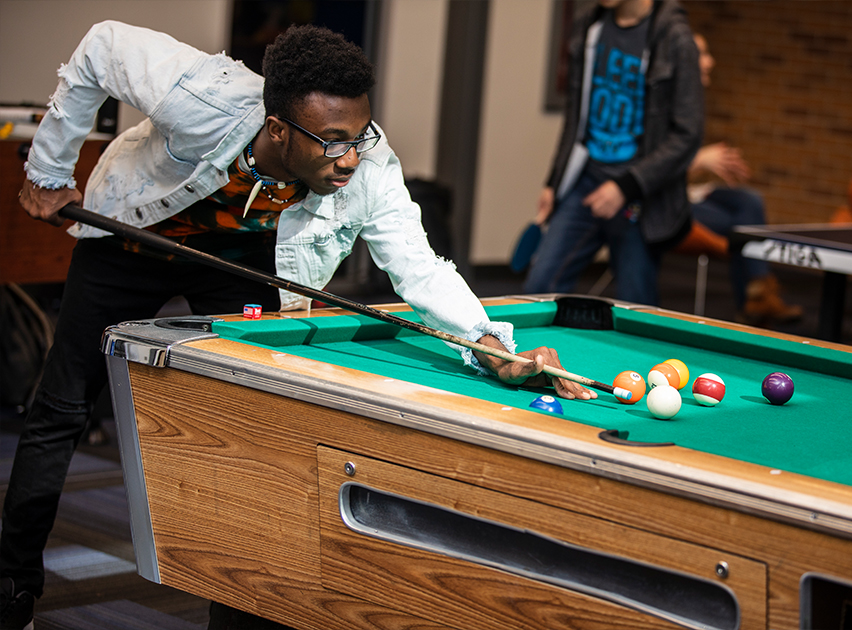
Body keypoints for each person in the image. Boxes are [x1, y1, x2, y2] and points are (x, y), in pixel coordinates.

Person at [0, 21, 593, 630]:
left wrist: (490, 344)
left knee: (249, 426)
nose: (351, 157)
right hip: (132, 236)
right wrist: (48, 173)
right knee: (63, 407)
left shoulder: (369, 167)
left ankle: (242, 605)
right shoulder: (201, 95)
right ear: (278, 130)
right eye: (333, 141)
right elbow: (100, 45)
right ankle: (13, 586)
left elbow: (418, 266)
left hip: (241, 261)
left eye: (359, 135)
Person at [523, 0, 703, 306]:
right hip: (585, 183)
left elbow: (688, 134)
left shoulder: (675, 38)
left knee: (637, 304)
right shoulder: (589, 27)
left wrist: (625, 186)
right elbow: (576, 117)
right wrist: (554, 182)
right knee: (539, 288)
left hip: (639, 196)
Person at [687, 34, 803, 326]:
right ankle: (755, 294)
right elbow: (654, 169)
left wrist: (707, 164)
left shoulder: (693, 100)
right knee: (741, 228)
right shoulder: (661, 100)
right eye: (703, 54)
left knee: (749, 199)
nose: (711, 61)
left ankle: (756, 293)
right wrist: (699, 160)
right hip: (663, 203)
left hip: (689, 190)